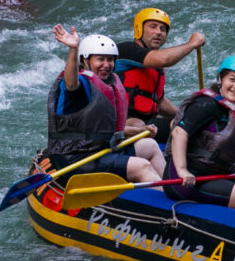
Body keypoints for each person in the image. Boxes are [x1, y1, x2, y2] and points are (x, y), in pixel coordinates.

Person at [45, 25, 164, 186]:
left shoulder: (109, 83)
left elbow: (104, 130)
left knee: (150, 145)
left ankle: (172, 191)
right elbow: (71, 84)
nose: (106, 65)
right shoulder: (80, 86)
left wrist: (140, 131)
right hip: (76, 158)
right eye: (100, 59)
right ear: (85, 60)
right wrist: (73, 49)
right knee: (142, 166)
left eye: (110, 60)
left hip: (100, 150)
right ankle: (165, 208)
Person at [166, 55, 235, 217]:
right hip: (187, 180)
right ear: (220, 79)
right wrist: (182, 170)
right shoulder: (206, 105)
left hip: (216, 175)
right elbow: (179, 133)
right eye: (232, 79)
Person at [115, 7, 207, 142]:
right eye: (153, 27)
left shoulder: (156, 68)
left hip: (149, 122)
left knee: (186, 124)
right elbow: (163, 59)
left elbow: (160, 101)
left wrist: (184, 115)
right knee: (140, 124)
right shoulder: (126, 50)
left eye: (163, 29)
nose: (158, 32)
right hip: (124, 121)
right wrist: (191, 44)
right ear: (139, 29)